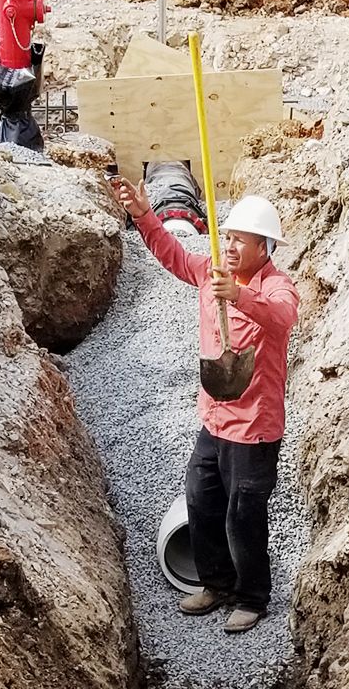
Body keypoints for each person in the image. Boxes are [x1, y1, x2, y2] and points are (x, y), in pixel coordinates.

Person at [110, 176, 299, 635]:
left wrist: (241, 296)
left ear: (264, 247)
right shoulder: (212, 271)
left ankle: (252, 597)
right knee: (201, 499)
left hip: (254, 428)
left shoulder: (277, 286)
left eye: (240, 241)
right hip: (214, 419)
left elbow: (283, 317)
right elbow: (173, 256)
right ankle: (216, 582)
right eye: (228, 237)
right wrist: (143, 215)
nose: (230, 247)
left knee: (243, 515)